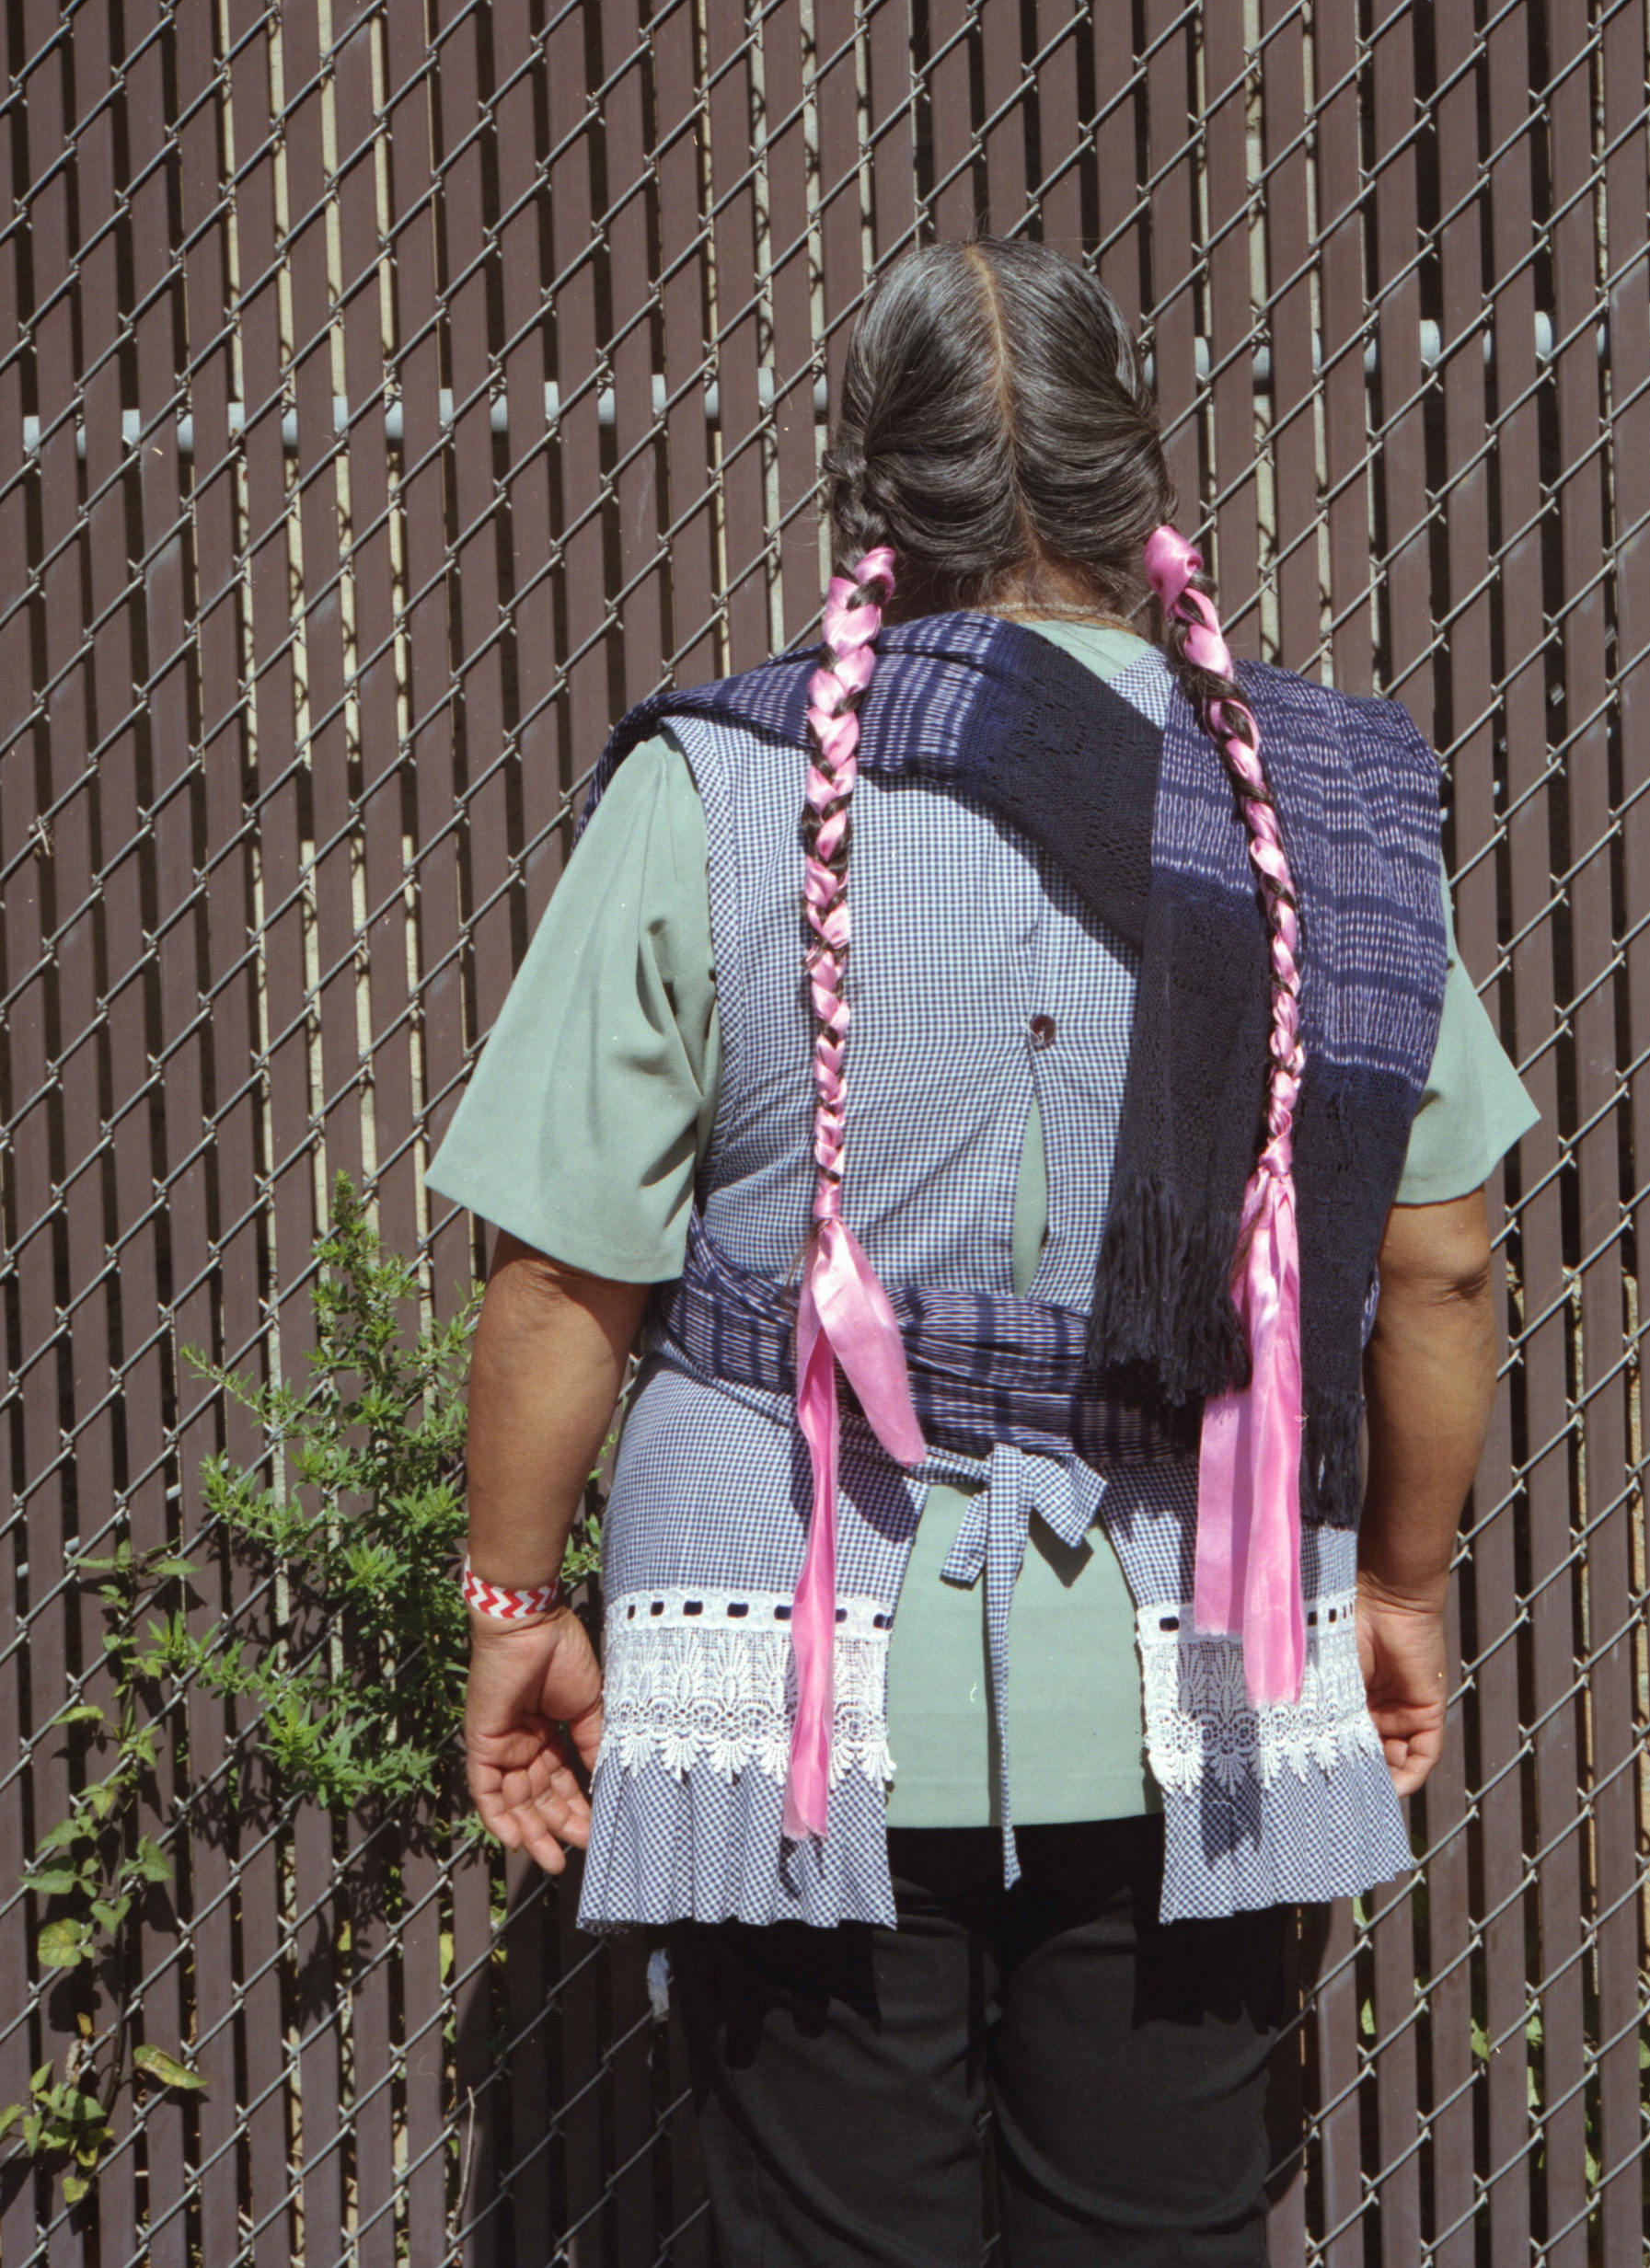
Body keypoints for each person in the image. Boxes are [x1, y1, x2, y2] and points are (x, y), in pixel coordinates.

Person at [423, 236, 1540, 2266]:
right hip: (1199, 1663)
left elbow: (558, 1281)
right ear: (1139, 480)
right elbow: (1442, 1260)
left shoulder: (715, 787)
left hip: (777, 1664)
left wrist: (516, 1599)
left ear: (871, 494)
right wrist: (1397, 1579)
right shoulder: (1327, 814)